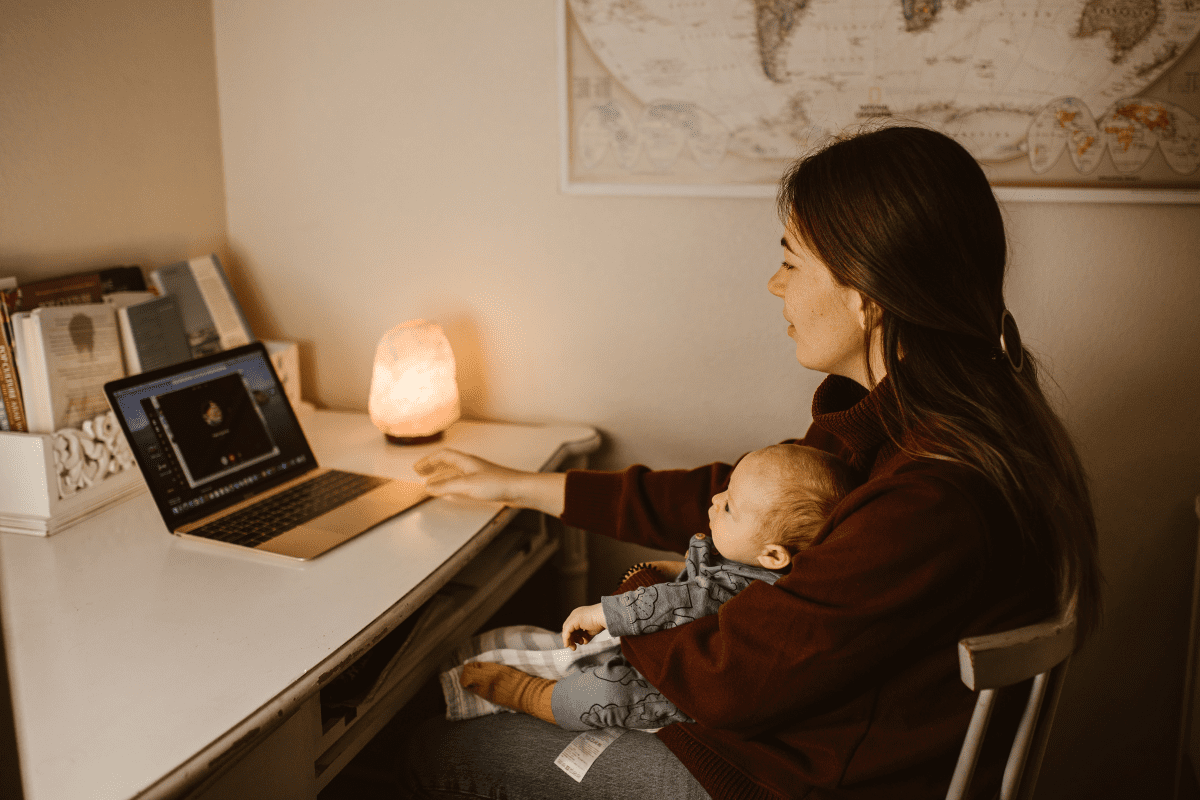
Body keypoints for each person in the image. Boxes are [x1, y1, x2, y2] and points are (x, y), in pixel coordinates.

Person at [396, 125, 1103, 800]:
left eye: (791, 261)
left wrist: (645, 591)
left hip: (796, 780)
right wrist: (525, 485)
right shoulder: (924, 417)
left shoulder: (930, 498)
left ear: (865, 297)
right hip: (803, 743)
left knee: (433, 750)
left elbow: (723, 682)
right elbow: (744, 496)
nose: (774, 284)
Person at [457, 443, 858, 732]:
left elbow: (686, 598)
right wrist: (666, 568)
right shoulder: (740, 553)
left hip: (673, 691)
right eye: (727, 487)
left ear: (773, 556)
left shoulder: (757, 592)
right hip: (659, 647)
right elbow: (689, 575)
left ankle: (528, 695)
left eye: (731, 506)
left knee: (602, 696)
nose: (716, 499)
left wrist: (603, 612)